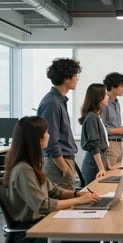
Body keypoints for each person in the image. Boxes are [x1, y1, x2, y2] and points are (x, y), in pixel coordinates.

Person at [3, 116, 99, 243]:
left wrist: (77, 193)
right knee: (88, 237)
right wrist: (79, 200)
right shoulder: (23, 169)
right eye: (46, 132)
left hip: (42, 222)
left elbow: (54, 191)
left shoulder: (32, 164)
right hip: (32, 232)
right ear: (37, 139)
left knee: (87, 231)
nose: (49, 135)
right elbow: (43, 205)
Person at [37, 58, 82, 190]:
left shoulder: (58, 100)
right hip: (58, 163)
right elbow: (51, 141)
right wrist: (64, 168)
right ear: (66, 79)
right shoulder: (52, 103)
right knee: (61, 207)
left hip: (63, 160)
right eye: (75, 76)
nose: (77, 79)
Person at [79, 83, 113, 185]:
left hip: (100, 160)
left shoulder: (97, 115)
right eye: (105, 94)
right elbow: (94, 145)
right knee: (93, 196)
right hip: (94, 164)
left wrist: (108, 164)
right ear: (98, 97)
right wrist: (101, 168)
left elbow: (103, 144)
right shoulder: (92, 117)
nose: (108, 97)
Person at [101, 72, 123, 166]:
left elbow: (112, 125)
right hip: (110, 145)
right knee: (110, 178)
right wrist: (120, 130)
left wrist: (122, 129)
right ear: (113, 87)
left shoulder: (116, 103)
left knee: (118, 175)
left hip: (119, 144)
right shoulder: (104, 104)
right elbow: (101, 129)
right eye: (122, 86)